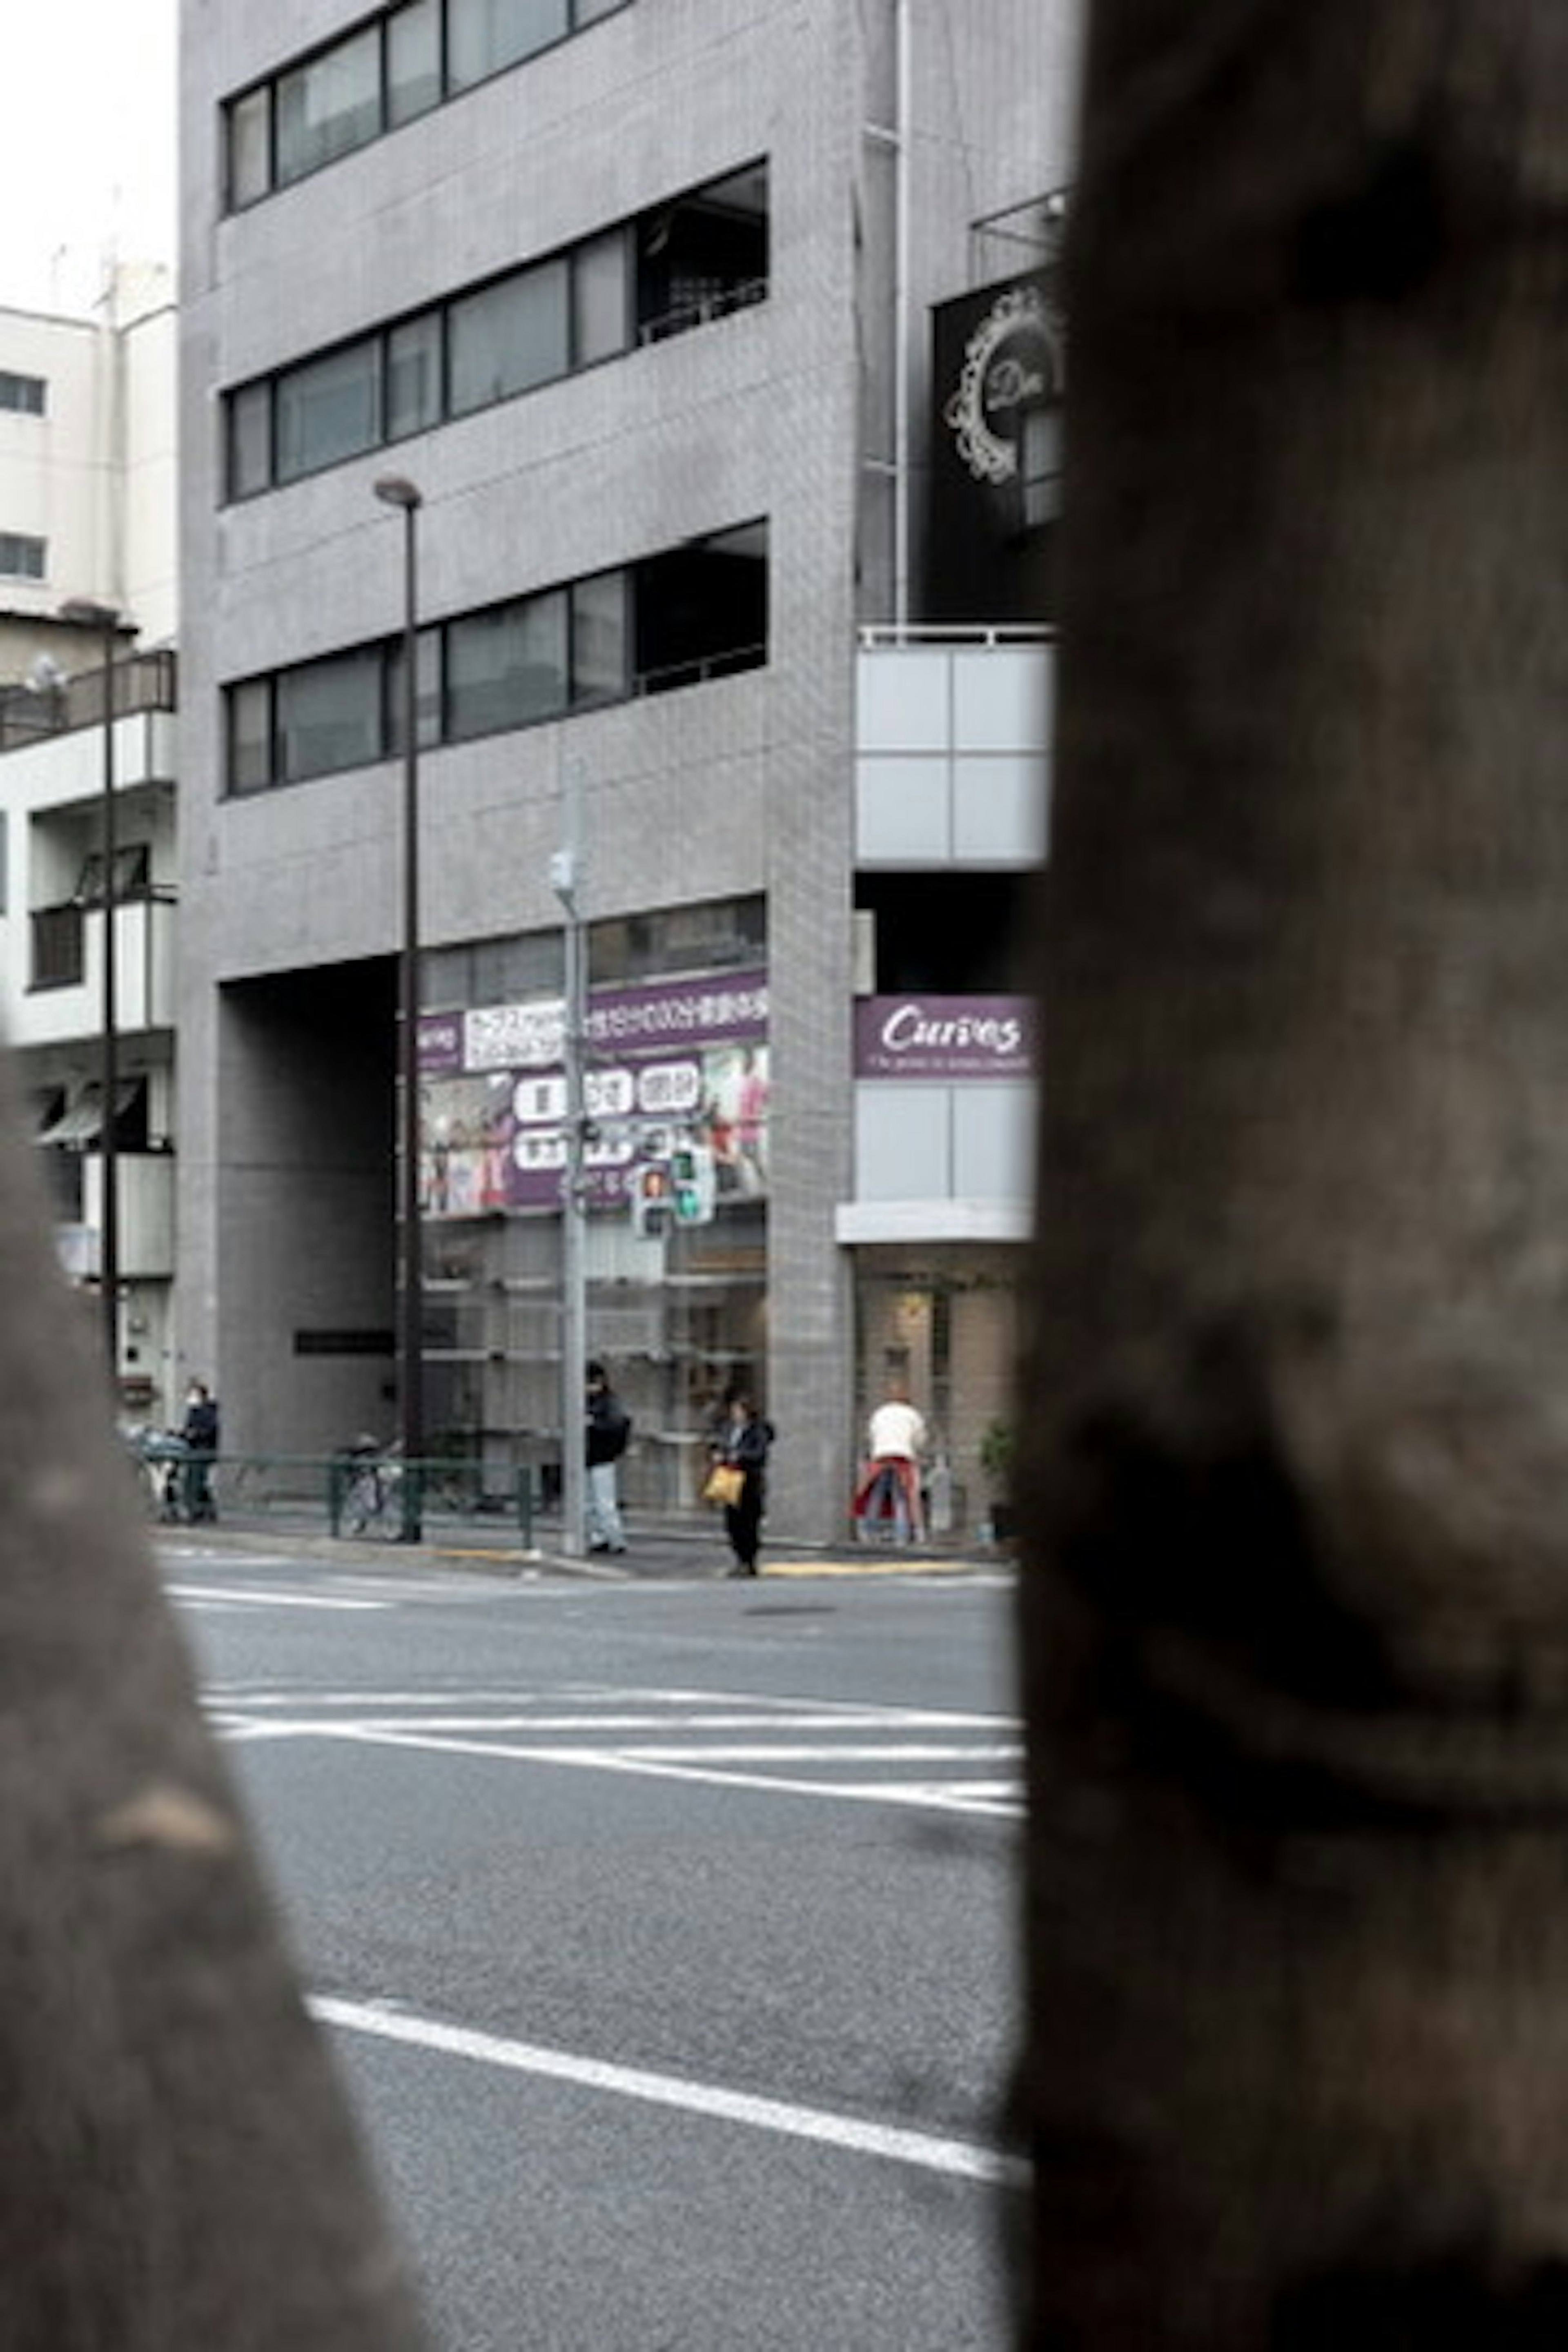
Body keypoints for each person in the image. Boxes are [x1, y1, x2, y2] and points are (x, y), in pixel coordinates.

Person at [852, 1381, 928, 1543]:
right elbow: (920, 1439)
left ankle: (869, 1532)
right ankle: (903, 1534)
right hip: (902, 1456)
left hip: (881, 1456)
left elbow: (871, 1435)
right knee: (902, 1496)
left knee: (876, 1493)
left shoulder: (880, 1413)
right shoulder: (912, 1414)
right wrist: (916, 1451)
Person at [710, 1391, 775, 1577]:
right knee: (732, 1523)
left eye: (738, 1411)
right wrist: (719, 1455)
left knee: (749, 1523)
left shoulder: (758, 1430)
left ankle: (749, 1561)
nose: (735, 1414)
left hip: (749, 1483)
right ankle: (739, 1559)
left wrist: (740, 1456)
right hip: (730, 1481)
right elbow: (721, 1444)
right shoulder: (730, 1429)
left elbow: (759, 1454)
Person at [584, 1360, 631, 1555]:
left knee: (604, 1502)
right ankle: (600, 1537)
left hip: (602, 1456)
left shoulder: (609, 1402)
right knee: (590, 1503)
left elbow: (616, 1425)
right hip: (590, 1456)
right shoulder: (593, 1401)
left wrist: (593, 1424)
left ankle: (614, 1538)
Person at [180, 1379, 220, 1523]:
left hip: (204, 1449)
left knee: (196, 1481)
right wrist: (184, 1433)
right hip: (194, 1449)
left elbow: (211, 1431)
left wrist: (195, 1434)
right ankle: (206, 1510)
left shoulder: (209, 1411)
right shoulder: (193, 1412)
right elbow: (188, 1427)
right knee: (196, 1480)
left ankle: (197, 1510)